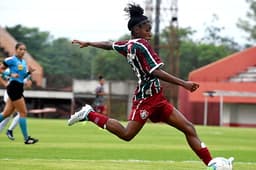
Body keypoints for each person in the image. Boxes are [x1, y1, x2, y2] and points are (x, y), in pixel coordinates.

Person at [68, 3, 233, 167]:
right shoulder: (142, 45)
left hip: (157, 98)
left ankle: (211, 164)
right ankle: (89, 114)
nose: (150, 32)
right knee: (127, 134)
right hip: (145, 99)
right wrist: (184, 84)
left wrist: (89, 42)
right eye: (147, 29)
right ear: (136, 30)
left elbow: (109, 44)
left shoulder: (128, 45)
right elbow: (156, 72)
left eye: (150, 29)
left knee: (188, 128)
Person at [0, 42, 38, 144]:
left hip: (19, 87)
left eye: (24, 49)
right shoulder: (11, 60)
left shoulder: (23, 62)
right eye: (20, 49)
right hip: (14, 88)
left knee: (6, 113)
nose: (23, 51)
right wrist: (11, 74)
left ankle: (26, 138)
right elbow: (0, 69)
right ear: (16, 49)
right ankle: (26, 139)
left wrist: (29, 72)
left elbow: (22, 78)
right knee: (23, 112)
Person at [0, 68, 32, 140]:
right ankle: (10, 130)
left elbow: (27, 83)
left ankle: (10, 131)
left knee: (8, 115)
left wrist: (27, 83)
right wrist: (5, 83)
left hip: (17, 93)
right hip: (11, 93)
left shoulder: (24, 71)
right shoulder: (10, 70)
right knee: (18, 113)